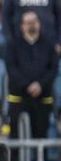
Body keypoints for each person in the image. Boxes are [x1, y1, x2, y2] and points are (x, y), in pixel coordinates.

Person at [6, 9, 58, 146]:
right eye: (28, 22)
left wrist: (40, 85)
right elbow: (11, 68)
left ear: (39, 24)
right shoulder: (13, 45)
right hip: (20, 98)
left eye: (34, 21)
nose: (31, 25)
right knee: (17, 139)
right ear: (22, 26)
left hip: (42, 98)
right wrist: (27, 85)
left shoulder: (48, 44)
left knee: (42, 139)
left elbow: (52, 69)